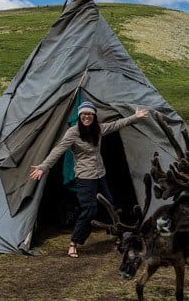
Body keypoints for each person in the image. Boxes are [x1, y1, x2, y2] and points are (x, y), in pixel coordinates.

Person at [29, 101, 149, 258]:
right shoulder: (73, 132)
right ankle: (74, 242)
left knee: (110, 205)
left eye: (89, 114)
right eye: (84, 114)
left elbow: (116, 124)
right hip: (85, 177)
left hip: (100, 174)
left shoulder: (98, 129)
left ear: (93, 116)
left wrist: (135, 117)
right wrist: (43, 167)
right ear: (79, 116)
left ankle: (119, 236)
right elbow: (58, 150)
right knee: (89, 209)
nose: (86, 116)